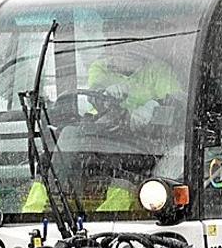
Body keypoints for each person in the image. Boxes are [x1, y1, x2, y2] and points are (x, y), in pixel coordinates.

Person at [22, 46, 185, 213]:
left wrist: (154, 108)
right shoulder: (100, 67)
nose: (119, 53)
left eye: (126, 45)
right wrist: (105, 96)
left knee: (124, 165)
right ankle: (33, 211)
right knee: (52, 153)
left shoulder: (157, 70)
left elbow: (178, 103)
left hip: (143, 139)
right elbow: (96, 97)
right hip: (103, 131)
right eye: (115, 49)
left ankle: (111, 215)